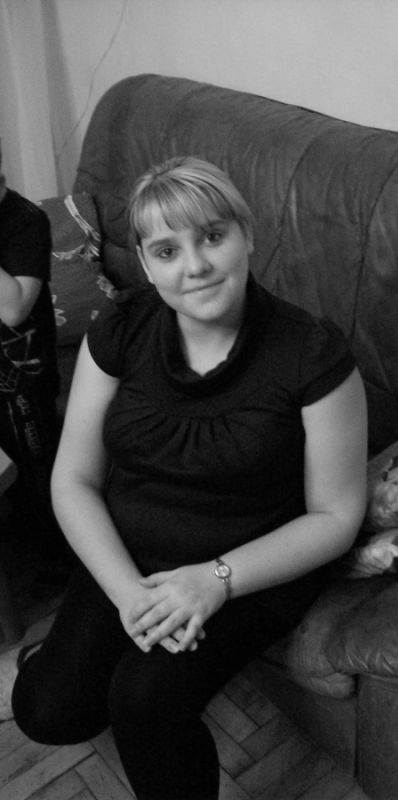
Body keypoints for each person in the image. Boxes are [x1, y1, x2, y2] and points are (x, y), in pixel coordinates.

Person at [3, 156, 367, 800]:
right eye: (167, 250)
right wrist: (128, 595)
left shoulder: (311, 352)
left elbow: (336, 517)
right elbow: (74, 478)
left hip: (249, 564)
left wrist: (213, 581)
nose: (195, 265)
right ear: (146, 264)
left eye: (213, 236)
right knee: (48, 711)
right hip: (131, 552)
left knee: (144, 701)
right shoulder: (120, 327)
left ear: (246, 236)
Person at [0, 140, 64, 569]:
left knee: (36, 470)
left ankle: (56, 561)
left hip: (23, 378)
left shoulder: (25, 221)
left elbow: (13, 308)